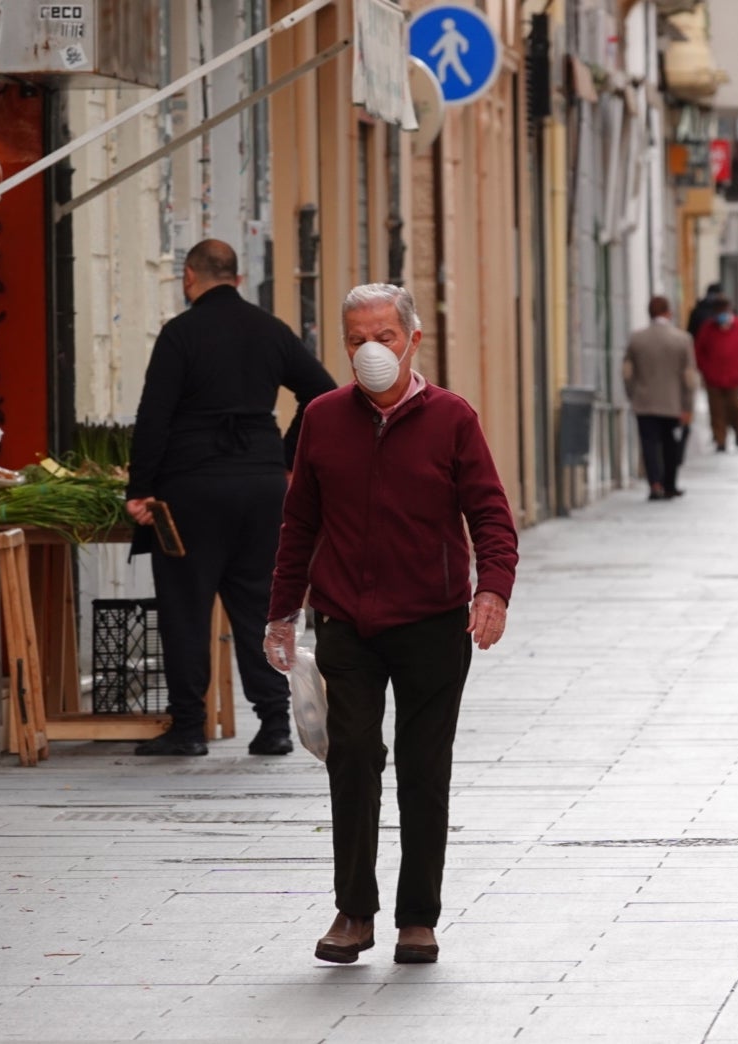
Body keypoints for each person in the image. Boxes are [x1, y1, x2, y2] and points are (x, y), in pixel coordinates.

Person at [263, 284, 518, 966]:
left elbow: (490, 512)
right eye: (355, 340)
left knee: (423, 769)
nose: (370, 350)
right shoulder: (321, 419)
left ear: (412, 340)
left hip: (433, 622)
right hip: (347, 619)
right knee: (350, 759)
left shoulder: (452, 418)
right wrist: (282, 613)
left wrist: (491, 590)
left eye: (384, 336)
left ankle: (418, 919)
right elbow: (299, 524)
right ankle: (353, 912)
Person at [125, 239, 336, 757]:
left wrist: (141, 489)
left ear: (190, 279)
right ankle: (274, 725)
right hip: (261, 487)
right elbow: (321, 394)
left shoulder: (179, 335)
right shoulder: (270, 330)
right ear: (238, 279)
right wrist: (285, 457)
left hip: (190, 487)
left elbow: (154, 416)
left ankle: (190, 728)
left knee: (185, 607)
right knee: (258, 606)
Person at [623, 295, 697, 500]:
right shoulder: (682, 339)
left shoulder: (637, 339)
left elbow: (627, 372)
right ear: (668, 312)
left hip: (644, 402)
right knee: (670, 445)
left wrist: (632, 394)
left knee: (649, 444)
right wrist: (687, 406)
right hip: (672, 404)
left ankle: (654, 483)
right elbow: (689, 377)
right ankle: (670, 484)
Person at [694, 295, 738, 452]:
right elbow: (699, 351)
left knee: (736, 407)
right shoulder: (708, 328)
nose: (722, 315)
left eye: (725, 311)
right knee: (716, 411)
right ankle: (720, 439)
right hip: (713, 378)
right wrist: (704, 369)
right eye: (719, 312)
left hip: (734, 376)